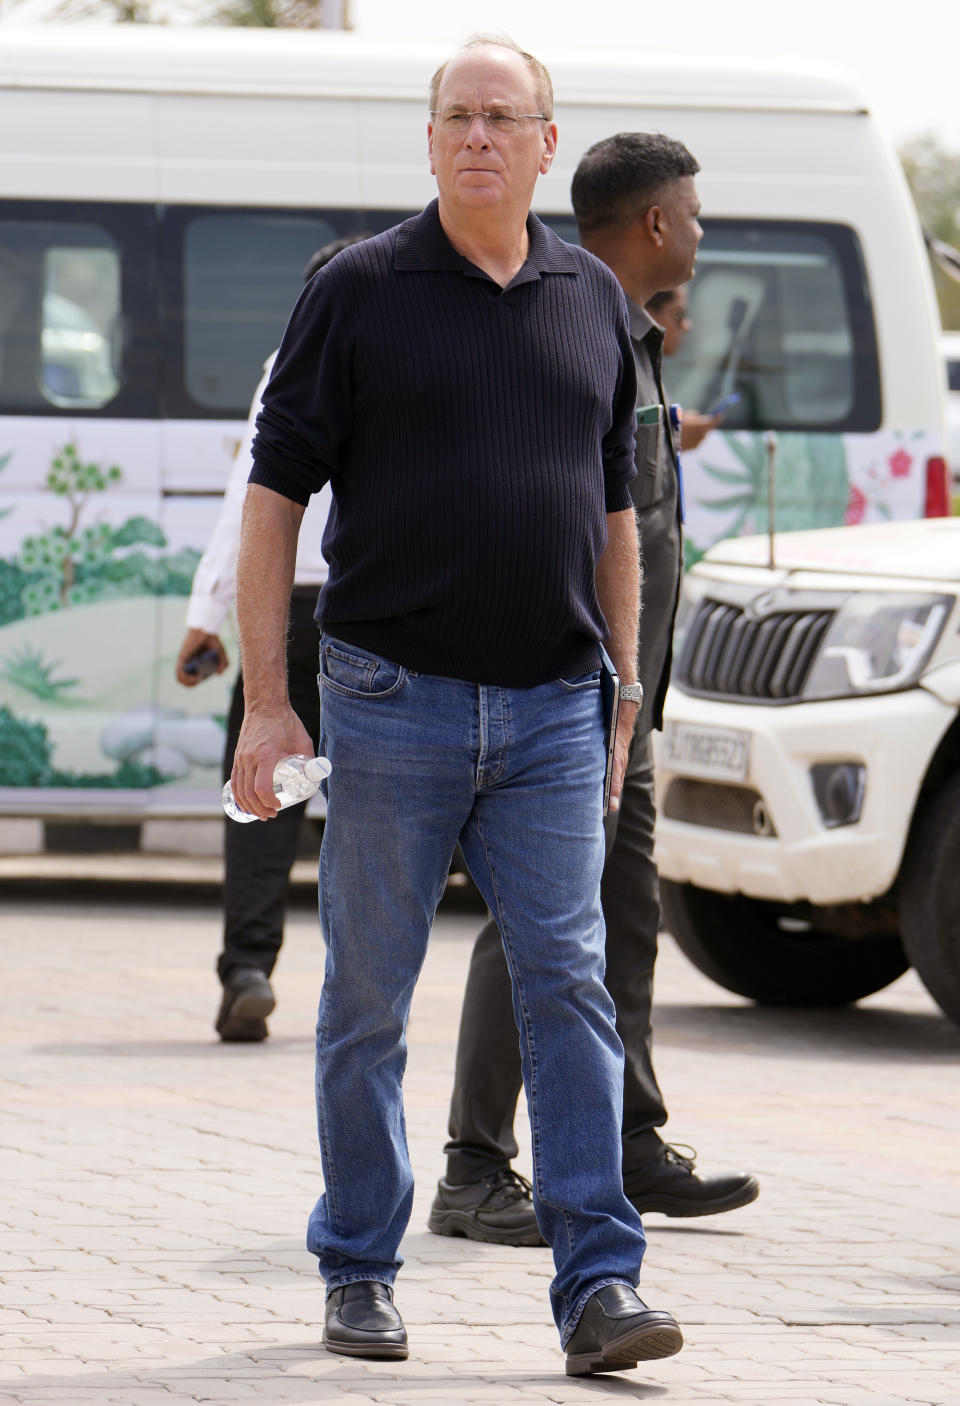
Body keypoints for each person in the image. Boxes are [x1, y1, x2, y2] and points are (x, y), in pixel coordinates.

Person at [230, 37, 684, 1378]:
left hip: (554, 707)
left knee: (573, 989)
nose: (481, 136)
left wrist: (623, 685)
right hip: (391, 697)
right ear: (428, 141)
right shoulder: (358, 291)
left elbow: (616, 512)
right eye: (458, 117)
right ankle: (361, 1264)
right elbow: (272, 502)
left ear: (548, 141)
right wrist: (271, 702)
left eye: (506, 117)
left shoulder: (593, 298)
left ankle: (601, 1284)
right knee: (369, 995)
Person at [429, 133, 759, 1252]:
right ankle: (475, 1166)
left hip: (633, 697)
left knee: (624, 915)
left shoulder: (635, 332)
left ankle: (629, 1138)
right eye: (696, 215)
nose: (704, 233)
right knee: (538, 918)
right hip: (577, 691)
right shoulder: (567, 320)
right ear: (658, 223)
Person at [175, 236, 368, 1043]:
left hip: (285, 609)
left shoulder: (285, 366)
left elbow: (245, 506)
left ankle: (249, 966)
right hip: (372, 615)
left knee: (265, 794)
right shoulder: (401, 356)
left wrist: (206, 616)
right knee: (377, 815)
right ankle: (362, 989)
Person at [645, 285, 723, 449]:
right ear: (647, 314)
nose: (687, 326)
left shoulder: (650, 369)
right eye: (678, 314)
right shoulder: (631, 372)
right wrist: (675, 436)